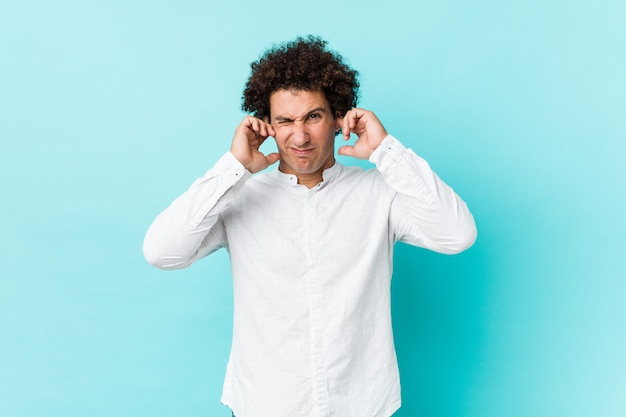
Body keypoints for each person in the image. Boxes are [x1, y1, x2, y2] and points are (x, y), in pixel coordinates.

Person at [143, 36, 477, 417]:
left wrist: (386, 151)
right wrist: (232, 169)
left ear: (338, 117)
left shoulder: (379, 193)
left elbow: (458, 234)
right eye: (285, 120)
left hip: (360, 406)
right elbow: (161, 252)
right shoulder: (238, 197)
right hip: (265, 405)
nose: (299, 137)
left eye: (313, 117)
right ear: (267, 125)